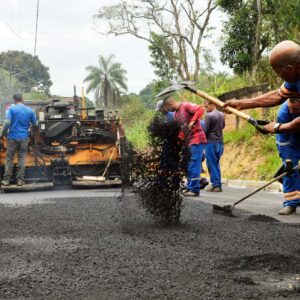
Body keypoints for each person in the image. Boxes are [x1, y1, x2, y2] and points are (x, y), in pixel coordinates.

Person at [223, 40, 300, 215]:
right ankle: (292, 201)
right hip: (289, 123)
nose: (277, 76)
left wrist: (279, 127)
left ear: (289, 68)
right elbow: (277, 96)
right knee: (288, 161)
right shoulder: (294, 78)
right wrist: (241, 104)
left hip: (291, 124)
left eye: (277, 71)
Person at [163, 96, 206, 197]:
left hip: (197, 139)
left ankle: (195, 189)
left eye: (167, 108)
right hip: (188, 141)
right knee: (188, 165)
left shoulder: (186, 105)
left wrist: (192, 121)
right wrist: (177, 142)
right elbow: (182, 132)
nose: (168, 111)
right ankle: (190, 187)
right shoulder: (175, 115)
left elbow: (200, 109)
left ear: (170, 104)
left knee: (194, 164)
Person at [0, 94, 38, 186]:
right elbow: (36, 125)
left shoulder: (11, 109)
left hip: (12, 137)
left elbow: (6, 123)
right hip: (24, 138)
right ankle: (20, 180)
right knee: (22, 159)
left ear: (14, 100)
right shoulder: (29, 111)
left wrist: (2, 134)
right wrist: (31, 133)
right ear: (22, 99)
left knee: (9, 159)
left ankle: (6, 180)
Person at [204, 101, 225, 192]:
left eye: (207, 106)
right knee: (216, 163)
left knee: (211, 164)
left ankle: (216, 185)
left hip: (211, 143)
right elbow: (223, 126)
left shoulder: (209, 116)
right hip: (220, 142)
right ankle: (218, 184)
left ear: (213, 104)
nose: (206, 109)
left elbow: (205, 130)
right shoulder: (222, 114)